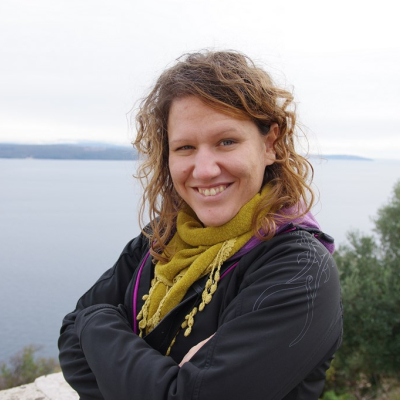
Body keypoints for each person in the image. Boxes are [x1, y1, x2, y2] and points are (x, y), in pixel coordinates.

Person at [58, 50, 342, 400]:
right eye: (185, 147)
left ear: (270, 144)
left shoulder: (299, 269)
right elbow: (70, 343)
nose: (205, 170)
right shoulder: (160, 239)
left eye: (227, 142)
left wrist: (93, 324)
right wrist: (94, 325)